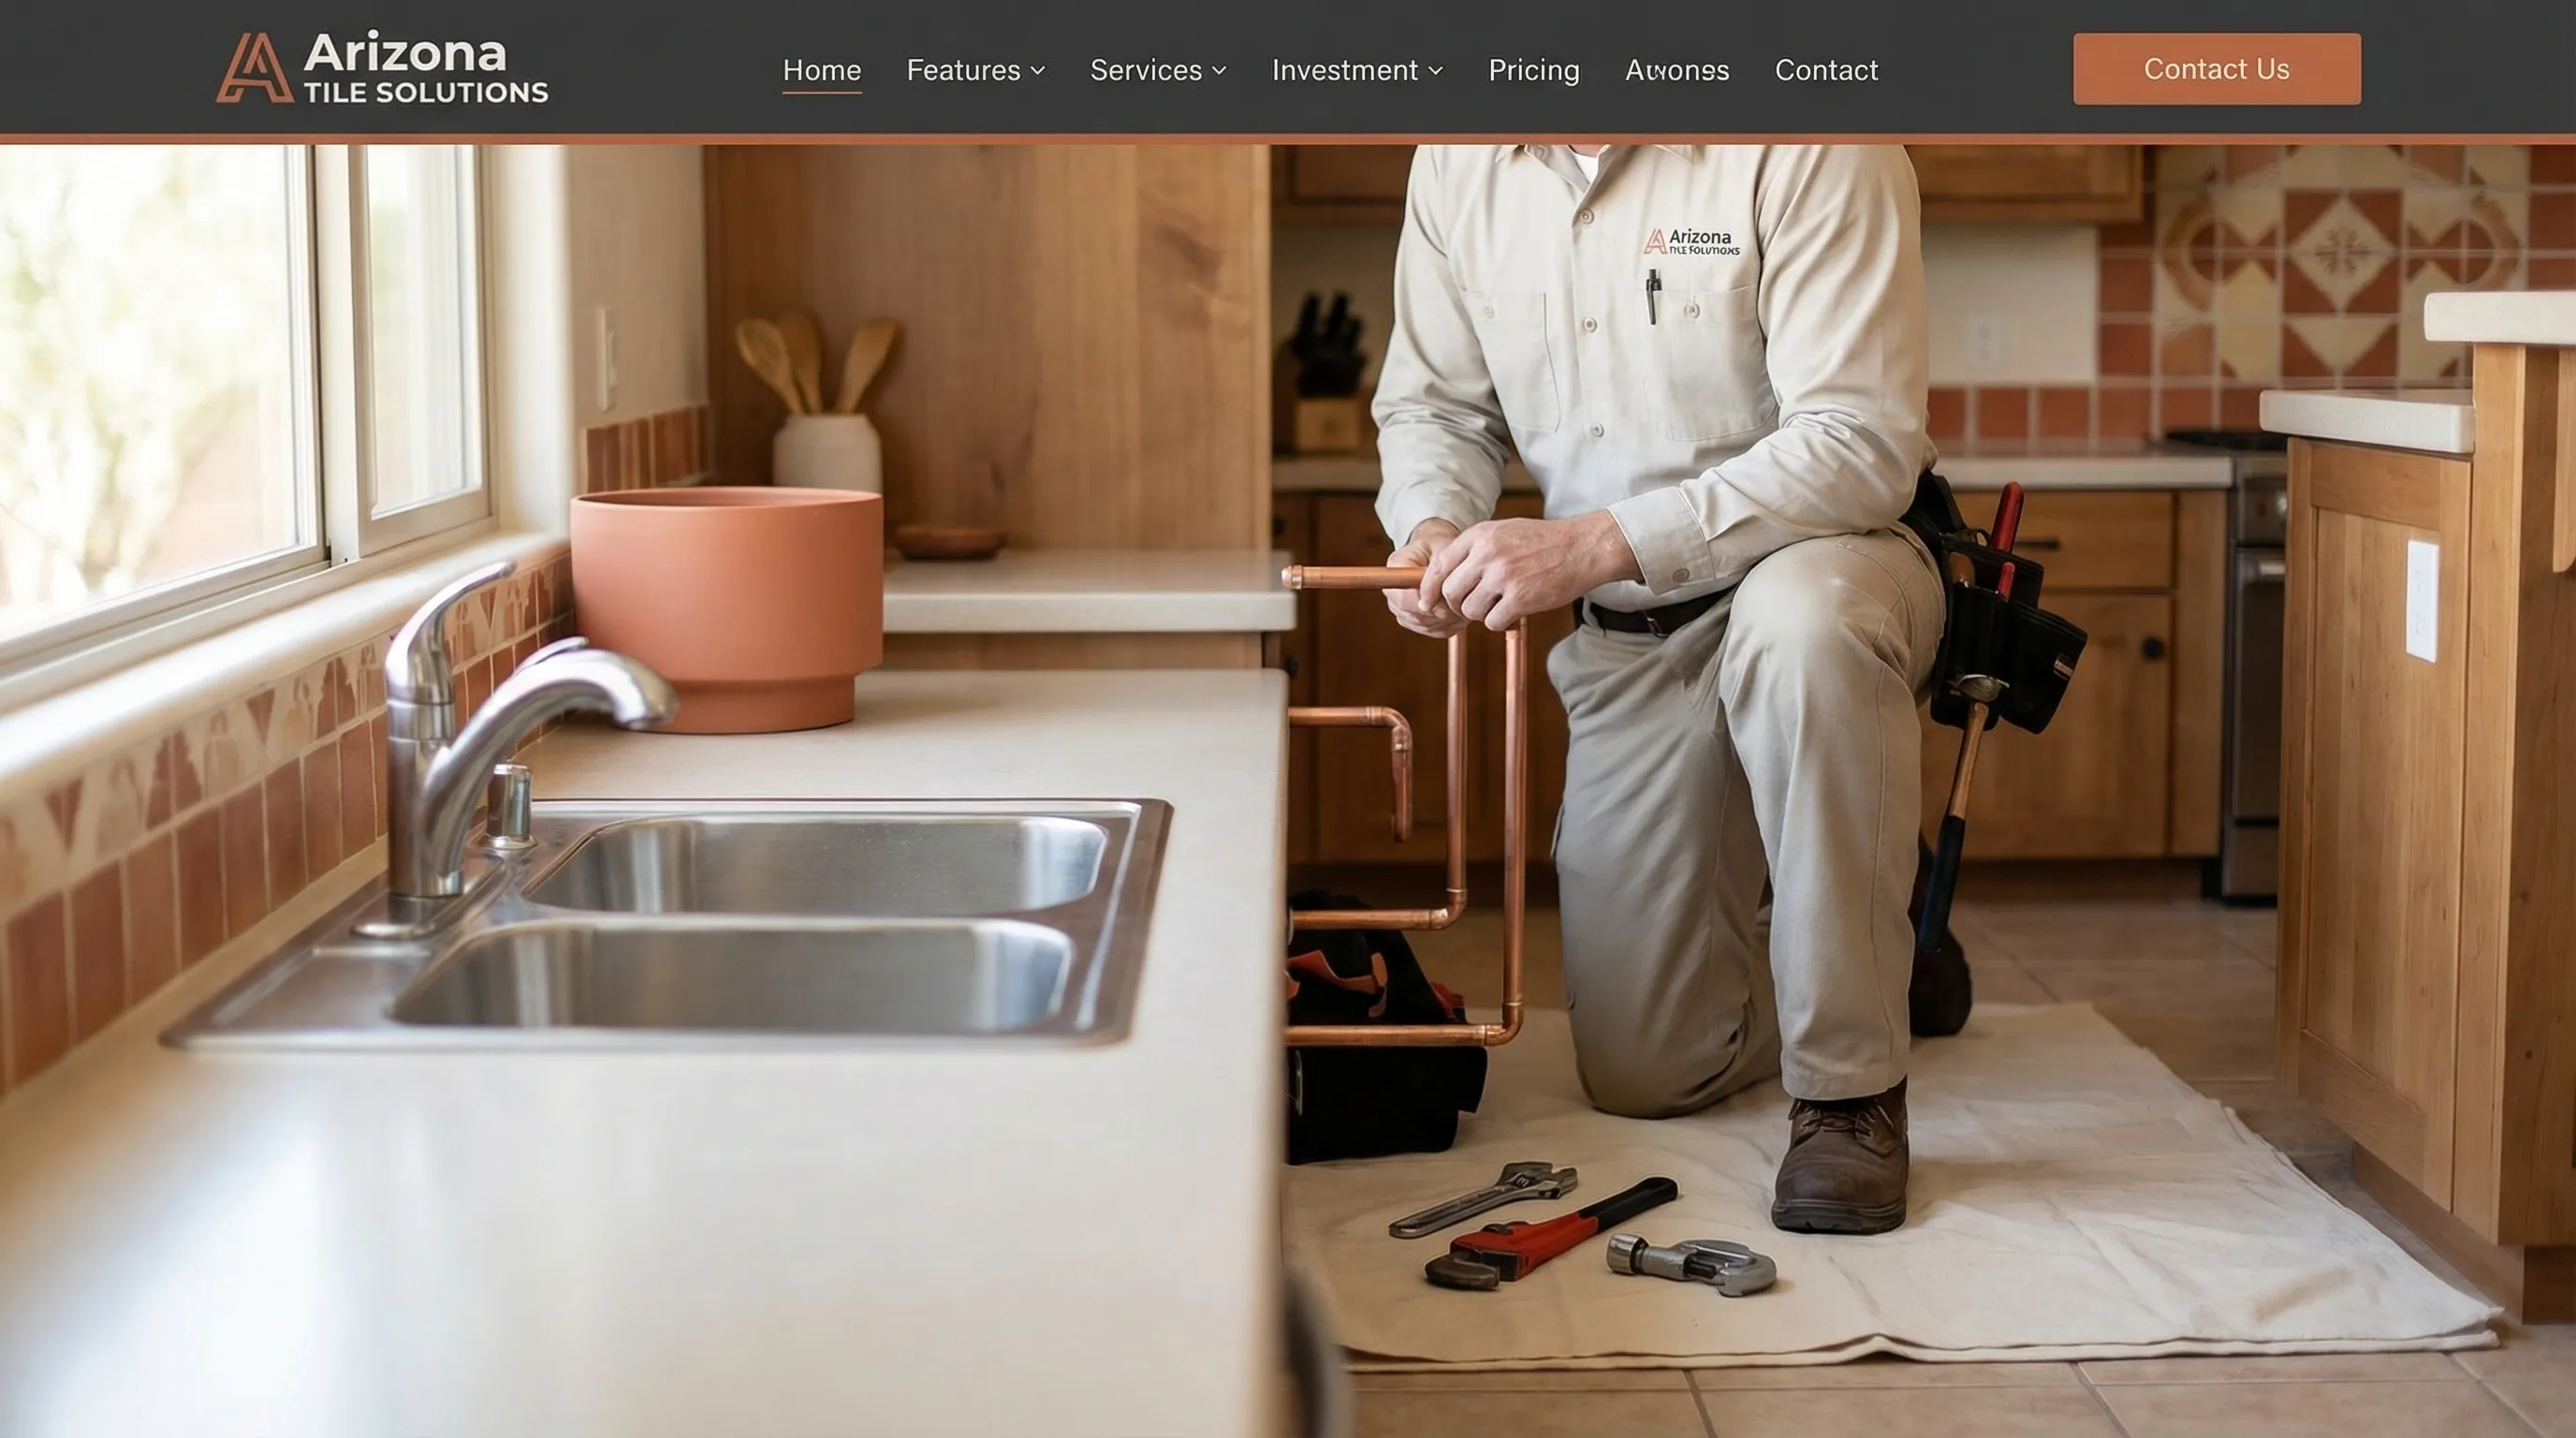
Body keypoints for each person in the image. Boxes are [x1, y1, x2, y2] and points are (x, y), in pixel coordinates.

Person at [1370, 143, 1961, 1235]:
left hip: (1828, 563)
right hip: (1635, 623)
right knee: (1645, 1072)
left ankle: (1849, 1094)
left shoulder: (1815, 142)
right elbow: (1436, 410)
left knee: (1801, 631)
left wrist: (1595, 541)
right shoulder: (1459, 162)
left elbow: (1858, 442)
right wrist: (1430, 527)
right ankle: (1876, 911)